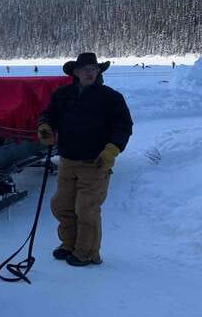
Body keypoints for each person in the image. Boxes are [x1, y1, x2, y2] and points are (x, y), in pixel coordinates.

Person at [37, 53, 133, 267]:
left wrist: (112, 149)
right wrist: (44, 127)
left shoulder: (111, 97)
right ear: (76, 73)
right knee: (62, 205)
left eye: (93, 68)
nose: (90, 72)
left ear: (98, 72)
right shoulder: (63, 95)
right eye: (85, 69)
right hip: (68, 161)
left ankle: (88, 252)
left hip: (95, 162)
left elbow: (124, 126)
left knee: (86, 210)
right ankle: (69, 244)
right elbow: (48, 115)